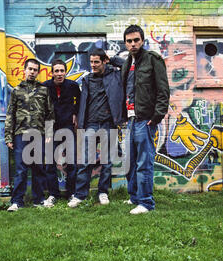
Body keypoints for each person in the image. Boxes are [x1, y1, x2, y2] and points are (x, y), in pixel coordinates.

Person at [113, 24, 170, 214]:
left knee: (144, 163)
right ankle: (135, 197)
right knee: (130, 162)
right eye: (129, 41)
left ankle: (146, 202)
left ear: (142, 41)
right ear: (125, 43)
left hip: (145, 120)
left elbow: (163, 91)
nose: (133, 44)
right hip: (130, 121)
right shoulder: (127, 62)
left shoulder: (153, 59)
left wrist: (156, 116)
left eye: (136, 40)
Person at [68, 48, 124, 208]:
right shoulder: (87, 80)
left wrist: (111, 58)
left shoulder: (115, 75)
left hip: (108, 123)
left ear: (104, 61)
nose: (93, 65)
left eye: (96, 62)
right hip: (90, 124)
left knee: (106, 162)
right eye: (91, 62)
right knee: (85, 161)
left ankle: (103, 192)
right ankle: (80, 195)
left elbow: (126, 64)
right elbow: (82, 102)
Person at [5, 58, 55, 211]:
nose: (32, 72)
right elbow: (10, 114)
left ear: (38, 72)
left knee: (38, 168)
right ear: (24, 70)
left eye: (35, 70)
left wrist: (49, 133)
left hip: (38, 134)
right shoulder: (16, 90)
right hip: (21, 134)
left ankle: (38, 200)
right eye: (30, 69)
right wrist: (8, 136)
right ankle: (17, 202)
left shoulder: (43, 90)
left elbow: (50, 113)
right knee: (20, 169)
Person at [43, 59, 81, 207]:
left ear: (66, 72)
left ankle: (71, 193)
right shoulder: (45, 86)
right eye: (56, 71)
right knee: (50, 163)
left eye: (62, 71)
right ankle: (53, 194)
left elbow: (80, 101)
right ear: (51, 72)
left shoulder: (72, 86)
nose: (59, 74)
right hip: (50, 128)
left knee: (71, 162)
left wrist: (75, 114)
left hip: (67, 127)